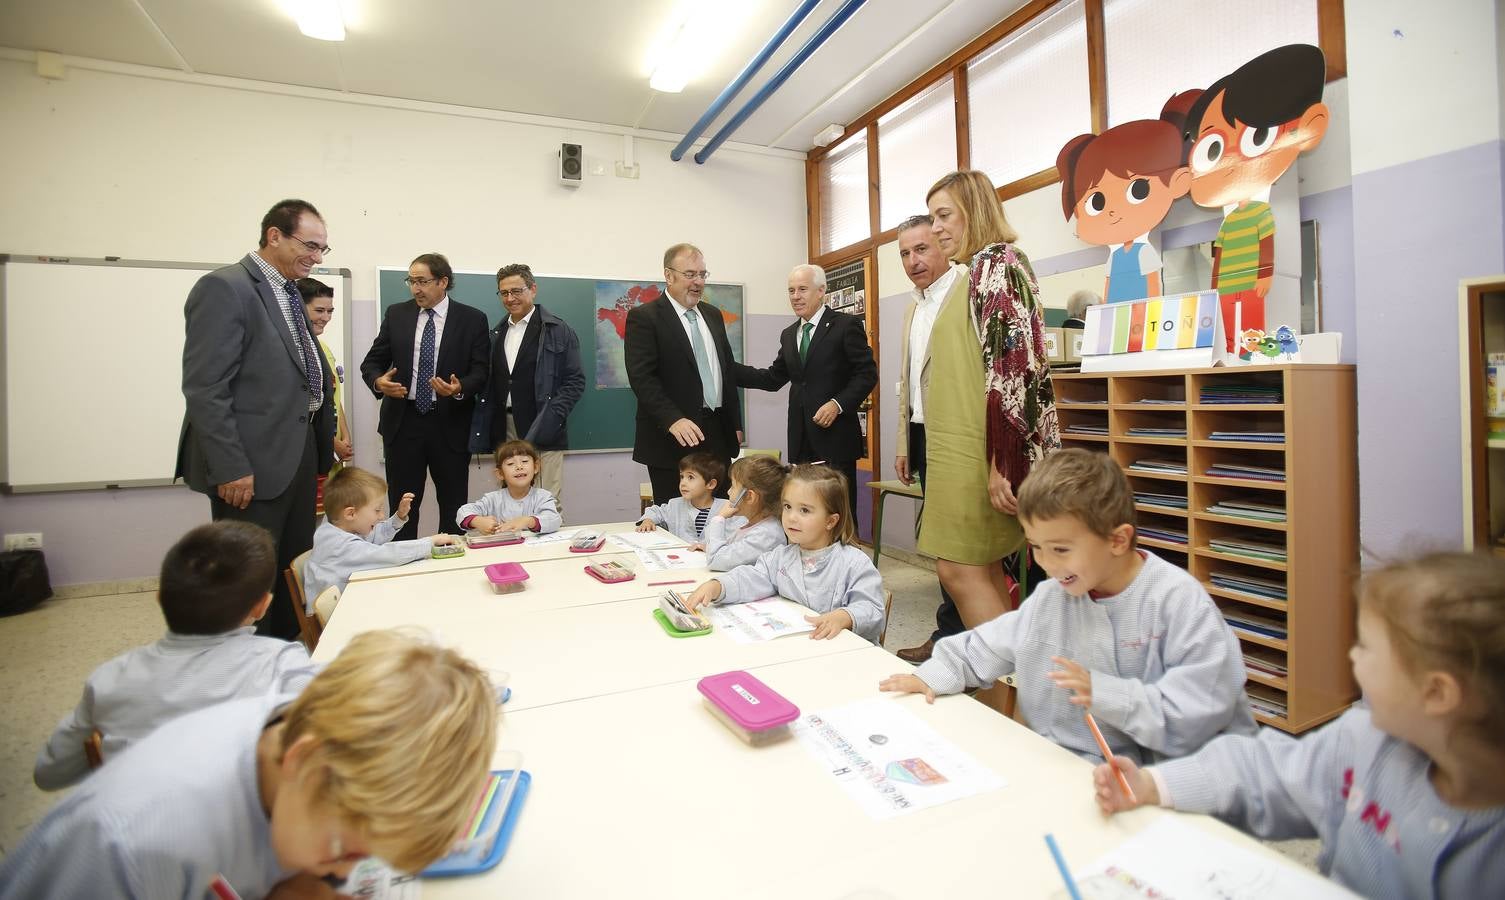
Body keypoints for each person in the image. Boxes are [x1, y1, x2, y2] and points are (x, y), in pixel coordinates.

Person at [1091, 552, 1505, 897]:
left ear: (1437, 693)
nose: (1353, 658)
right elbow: (1256, 769)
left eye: (1366, 647)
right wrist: (1153, 784)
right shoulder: (1360, 739)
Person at [0, 630, 499, 900]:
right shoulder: (134, 840)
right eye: (345, 850)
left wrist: (308, 883)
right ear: (303, 763)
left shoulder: (313, 729)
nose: (350, 871)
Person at [880, 449, 1256, 764]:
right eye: (1036, 547)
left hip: (1159, 787)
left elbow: (1204, 710)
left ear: (1117, 540)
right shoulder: (1052, 597)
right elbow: (986, 645)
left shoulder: (1177, 603)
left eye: (1061, 549)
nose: (1047, 564)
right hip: (1064, 770)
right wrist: (933, 675)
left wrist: (1106, 694)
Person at [33, 522, 315, 791]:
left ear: (159, 599)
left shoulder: (109, 679)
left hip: (139, 832)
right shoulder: (282, 664)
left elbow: (48, 773)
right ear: (262, 607)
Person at [176, 198, 336, 641]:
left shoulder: (287, 291)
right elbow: (206, 387)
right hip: (250, 462)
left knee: (292, 567)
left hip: (297, 455)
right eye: (311, 245)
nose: (318, 257)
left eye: (324, 250)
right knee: (248, 577)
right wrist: (230, 466)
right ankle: (243, 667)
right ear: (274, 236)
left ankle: (284, 654)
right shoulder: (225, 288)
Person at [917, 170, 1060, 631]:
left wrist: (1004, 459)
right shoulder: (976, 269)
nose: (936, 228)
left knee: (961, 568)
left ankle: (1009, 688)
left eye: (944, 216)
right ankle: (1004, 693)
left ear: (974, 211)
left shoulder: (997, 262)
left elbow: (1013, 367)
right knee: (975, 570)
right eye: (933, 217)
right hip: (964, 448)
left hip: (980, 450)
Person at [1175, 44, 1330, 354]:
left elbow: (1267, 243)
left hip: (1250, 280)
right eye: (1214, 149)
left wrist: (1264, 274)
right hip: (1228, 282)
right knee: (1228, 320)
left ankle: (1250, 352)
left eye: (1255, 137)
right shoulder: (1229, 221)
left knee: (1251, 319)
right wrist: (1216, 283)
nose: (1231, 157)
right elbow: (1218, 254)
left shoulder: (1262, 212)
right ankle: (1233, 351)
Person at [360, 252, 490, 540]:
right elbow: (371, 363)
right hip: (403, 423)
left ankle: (451, 565)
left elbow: (481, 372)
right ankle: (403, 564)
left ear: (443, 282)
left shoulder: (472, 319)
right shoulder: (397, 314)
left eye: (422, 281)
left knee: (454, 506)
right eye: (411, 281)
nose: (415, 288)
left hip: (450, 424)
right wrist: (379, 382)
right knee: (404, 506)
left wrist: (459, 389)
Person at [734, 263, 877, 515]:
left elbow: (867, 374)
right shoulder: (789, 334)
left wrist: (837, 404)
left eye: (802, 289)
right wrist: (729, 369)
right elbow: (773, 378)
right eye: (791, 291)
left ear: (821, 291)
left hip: (836, 438)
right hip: (801, 439)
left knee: (838, 510)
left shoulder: (845, 325)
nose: (795, 296)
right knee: (805, 508)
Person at [687, 464, 885, 644]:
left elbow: (872, 611)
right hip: (798, 647)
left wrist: (844, 617)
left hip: (842, 653)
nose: (791, 517)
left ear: (831, 521)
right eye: (787, 507)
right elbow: (751, 578)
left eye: (805, 510)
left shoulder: (854, 563)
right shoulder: (780, 557)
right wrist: (718, 586)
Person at [891, 215, 967, 664]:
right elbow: (908, 381)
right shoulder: (913, 306)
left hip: (956, 435)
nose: (913, 260)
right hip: (922, 434)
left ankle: (966, 645)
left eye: (921, 249)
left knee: (961, 549)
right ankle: (948, 637)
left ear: (942, 245)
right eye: (904, 253)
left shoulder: (962, 293)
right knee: (940, 544)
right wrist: (903, 442)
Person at [626, 243, 742, 504]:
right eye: (690, 274)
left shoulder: (712, 315)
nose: (698, 282)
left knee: (719, 516)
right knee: (675, 520)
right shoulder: (644, 317)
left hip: (717, 436)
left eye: (702, 274)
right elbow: (642, 378)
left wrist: (735, 422)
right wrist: (673, 419)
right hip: (671, 438)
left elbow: (724, 369)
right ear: (669, 275)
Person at [478, 263, 584, 506]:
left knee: (547, 502)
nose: (510, 298)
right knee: (511, 501)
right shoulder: (498, 332)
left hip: (544, 424)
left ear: (533, 289)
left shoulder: (558, 330)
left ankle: (550, 544)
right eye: (504, 293)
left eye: (516, 291)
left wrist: (553, 415)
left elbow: (575, 381)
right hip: (505, 426)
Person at [1054, 116, 1191, 304]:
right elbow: (1108, 289)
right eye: (1097, 203)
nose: (1113, 211)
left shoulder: (1144, 251)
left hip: (1142, 312)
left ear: (1177, 181)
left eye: (1138, 190)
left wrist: (1153, 309)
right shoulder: (1114, 257)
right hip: (1117, 315)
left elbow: (1152, 285)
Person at [303, 466, 460, 604]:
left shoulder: (337, 530)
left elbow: (373, 536)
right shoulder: (340, 547)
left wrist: (398, 517)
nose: (381, 516)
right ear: (351, 514)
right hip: (338, 621)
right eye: (377, 510)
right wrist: (429, 542)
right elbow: (387, 554)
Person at [298, 277, 355, 516]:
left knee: (331, 520)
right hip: (311, 447)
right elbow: (304, 406)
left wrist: (345, 433)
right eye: (319, 310)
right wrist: (332, 443)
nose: (326, 317)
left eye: (330, 311)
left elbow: (331, 397)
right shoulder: (295, 350)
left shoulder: (324, 348)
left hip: (332, 454)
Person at [698, 455, 788, 571]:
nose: (728, 491)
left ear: (750, 497)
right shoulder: (753, 523)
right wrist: (709, 548)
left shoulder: (766, 535)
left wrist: (719, 518)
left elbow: (715, 561)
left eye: (733, 486)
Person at [457, 439, 562, 535]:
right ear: (500, 474)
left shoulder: (543, 497)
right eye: (511, 463)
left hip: (534, 552)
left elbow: (554, 520)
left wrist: (528, 521)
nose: (519, 467)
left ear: (535, 467)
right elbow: (463, 512)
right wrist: (478, 521)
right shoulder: (492, 499)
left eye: (524, 461)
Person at [635, 451, 727, 543]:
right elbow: (655, 511)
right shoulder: (675, 505)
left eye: (690, 477)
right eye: (682, 477)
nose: (683, 483)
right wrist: (648, 520)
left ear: (711, 484)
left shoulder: (726, 509)